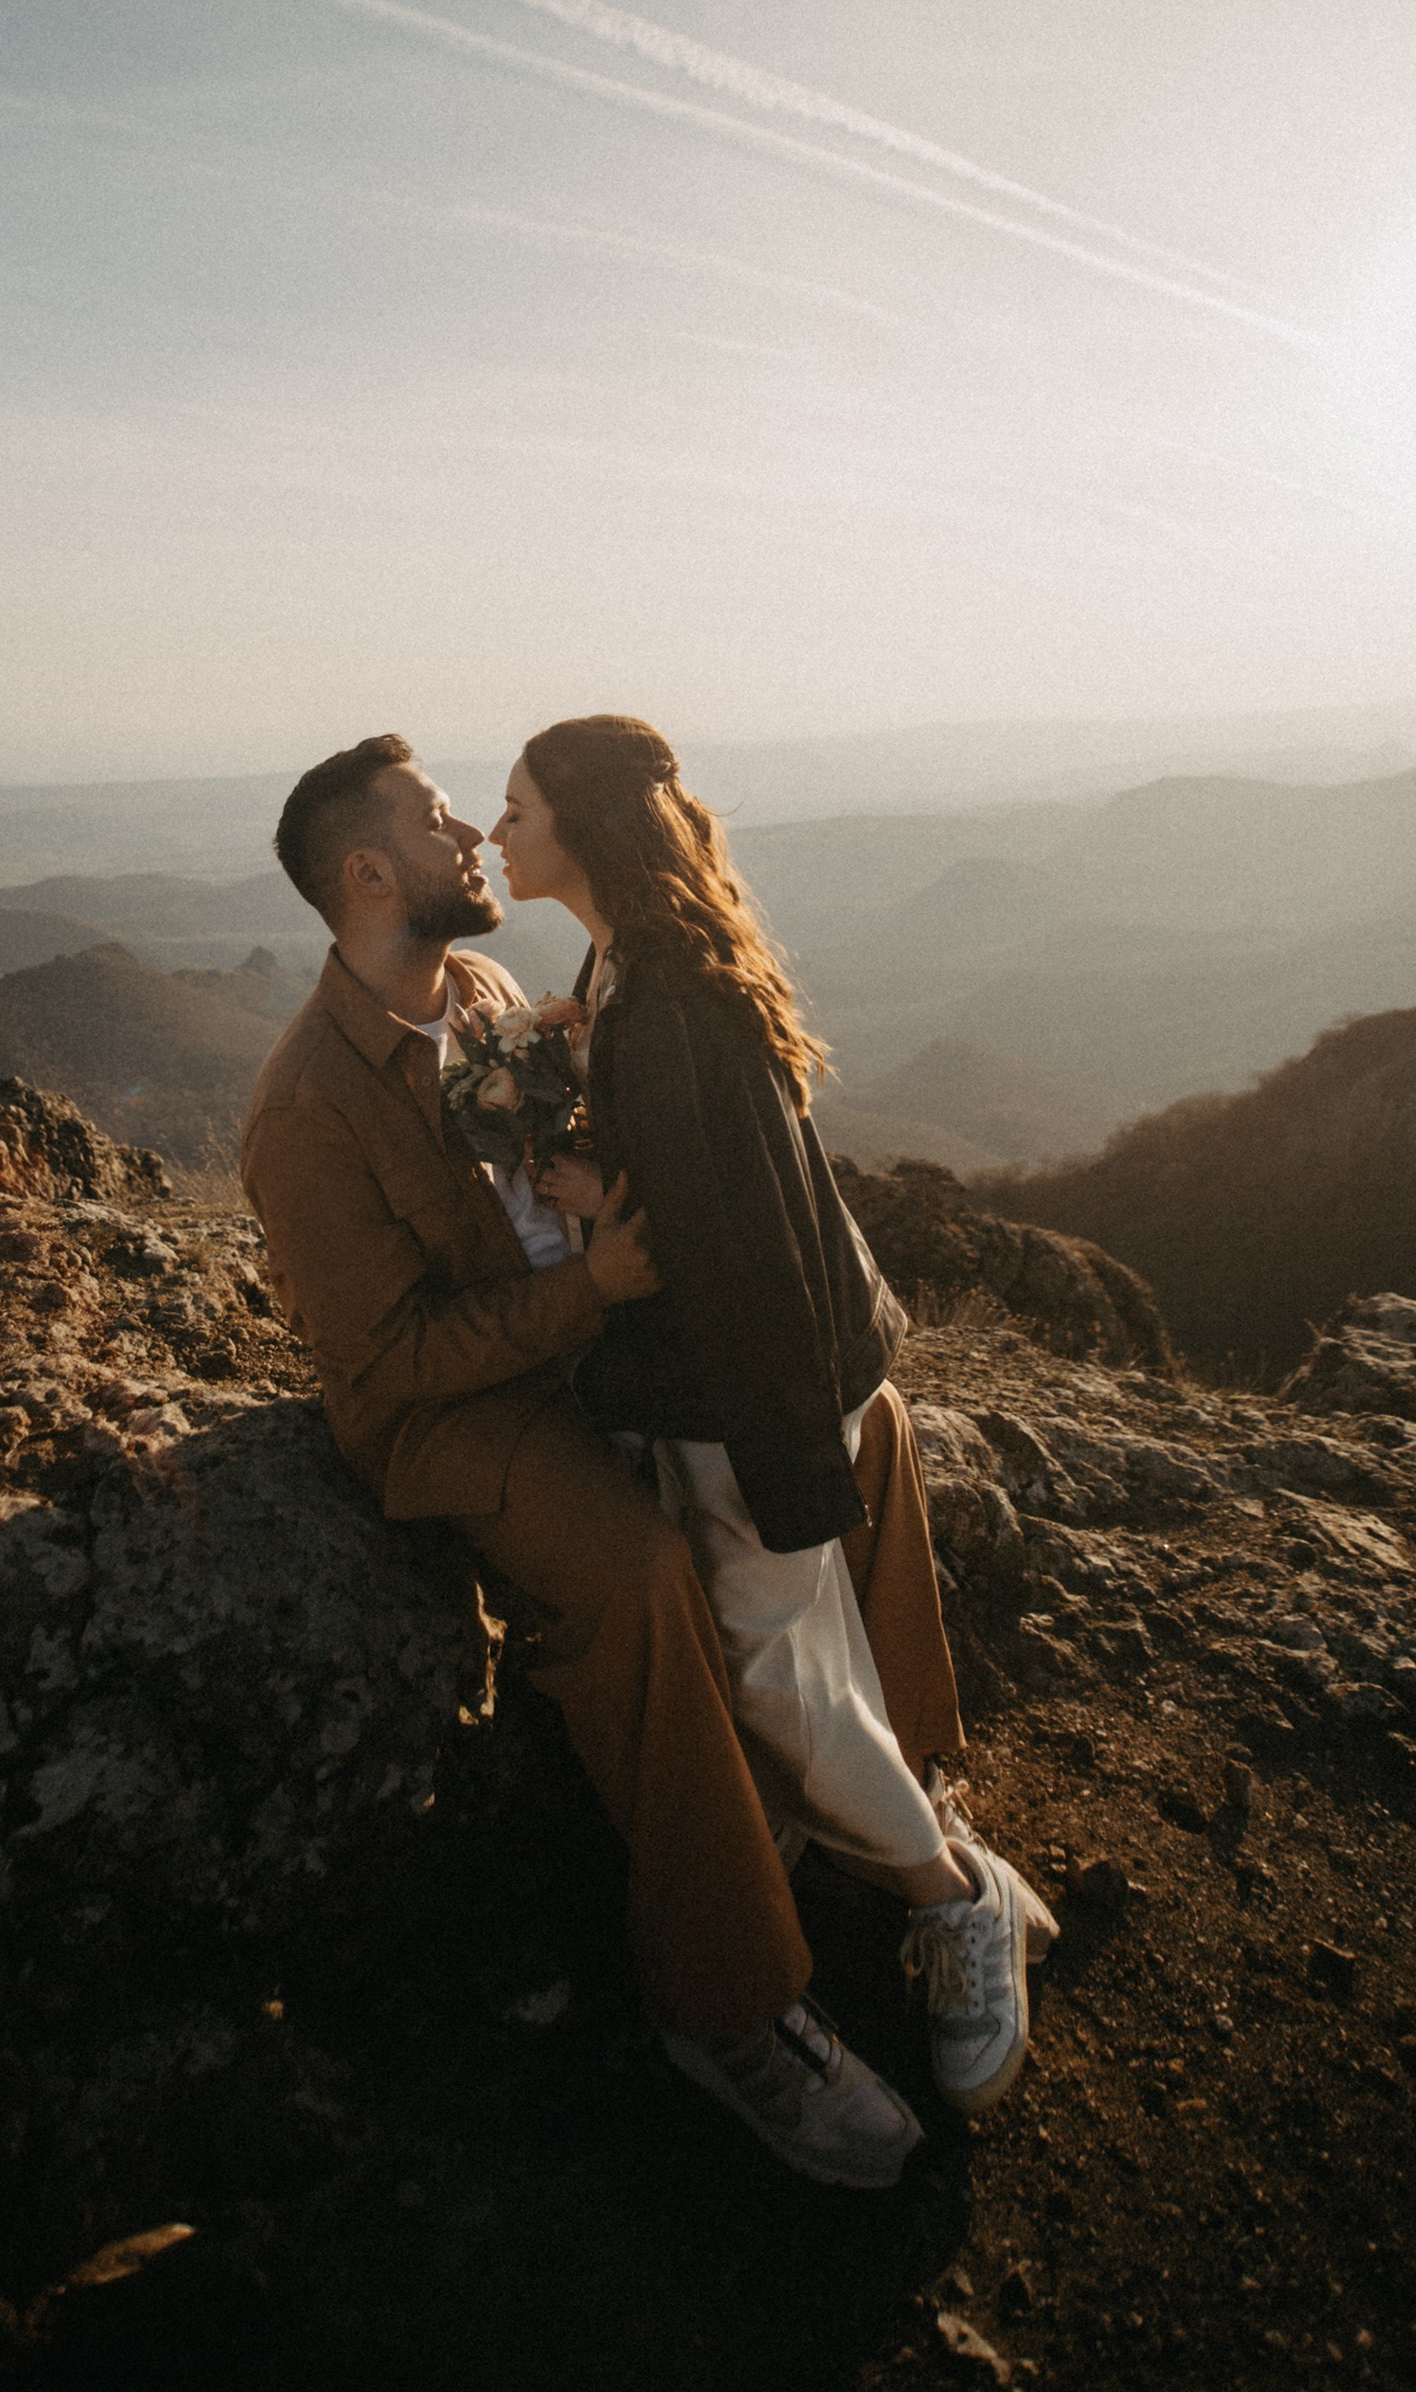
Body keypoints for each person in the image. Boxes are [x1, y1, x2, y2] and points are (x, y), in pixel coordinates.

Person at [242, 733, 924, 2188]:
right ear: (368, 875)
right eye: (440, 824)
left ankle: (904, 1798)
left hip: (581, 1341)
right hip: (463, 1416)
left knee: (863, 1421)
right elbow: (382, 1371)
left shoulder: (483, 992)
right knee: (644, 1574)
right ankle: (732, 2010)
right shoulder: (306, 1111)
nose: (474, 840)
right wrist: (590, 1297)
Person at [491, 714, 1055, 2116]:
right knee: (797, 1671)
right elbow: (711, 1177)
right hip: (743, 1392)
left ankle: (953, 1897)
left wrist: (791, 1471)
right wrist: (593, 1146)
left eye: (516, 811)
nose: (498, 835)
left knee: (776, 1685)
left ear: (585, 831)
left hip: (742, 1403)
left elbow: (737, 1255)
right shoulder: (632, 965)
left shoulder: (664, 1004)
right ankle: (900, 1852)